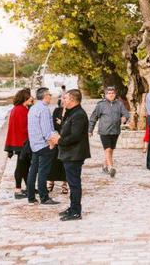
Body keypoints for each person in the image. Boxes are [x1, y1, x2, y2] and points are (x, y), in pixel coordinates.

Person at [56, 89, 90, 221]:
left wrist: (59, 141)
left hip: (74, 154)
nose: (63, 100)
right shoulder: (71, 113)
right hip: (69, 153)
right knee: (72, 183)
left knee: (74, 183)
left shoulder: (79, 115)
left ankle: (76, 211)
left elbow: (75, 136)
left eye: (65, 98)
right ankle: (72, 207)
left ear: (72, 100)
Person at [27, 87, 60, 205]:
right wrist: (52, 142)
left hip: (34, 144)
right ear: (46, 96)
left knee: (33, 171)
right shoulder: (44, 109)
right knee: (43, 172)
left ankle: (31, 197)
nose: (50, 96)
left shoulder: (33, 108)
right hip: (44, 145)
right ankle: (44, 198)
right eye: (49, 94)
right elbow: (47, 131)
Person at [89, 86, 130, 177]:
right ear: (106, 95)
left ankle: (105, 165)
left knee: (111, 150)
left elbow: (126, 113)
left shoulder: (119, 104)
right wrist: (90, 130)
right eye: (109, 93)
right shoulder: (101, 105)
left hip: (115, 131)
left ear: (115, 94)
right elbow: (93, 118)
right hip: (104, 131)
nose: (111, 95)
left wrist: (125, 117)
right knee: (107, 149)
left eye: (112, 93)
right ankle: (111, 168)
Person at [4, 88, 32, 199]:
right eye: (30, 96)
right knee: (21, 167)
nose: (32, 98)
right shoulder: (21, 110)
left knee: (24, 166)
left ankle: (27, 187)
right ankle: (18, 190)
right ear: (25, 98)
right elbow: (25, 128)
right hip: (22, 143)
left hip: (18, 142)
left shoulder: (17, 109)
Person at [48, 98, 68, 195]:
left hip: (67, 139)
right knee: (53, 161)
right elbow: (53, 124)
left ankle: (64, 184)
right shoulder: (57, 111)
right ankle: (51, 182)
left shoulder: (71, 112)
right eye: (63, 102)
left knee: (65, 162)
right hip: (56, 139)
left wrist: (62, 123)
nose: (64, 103)